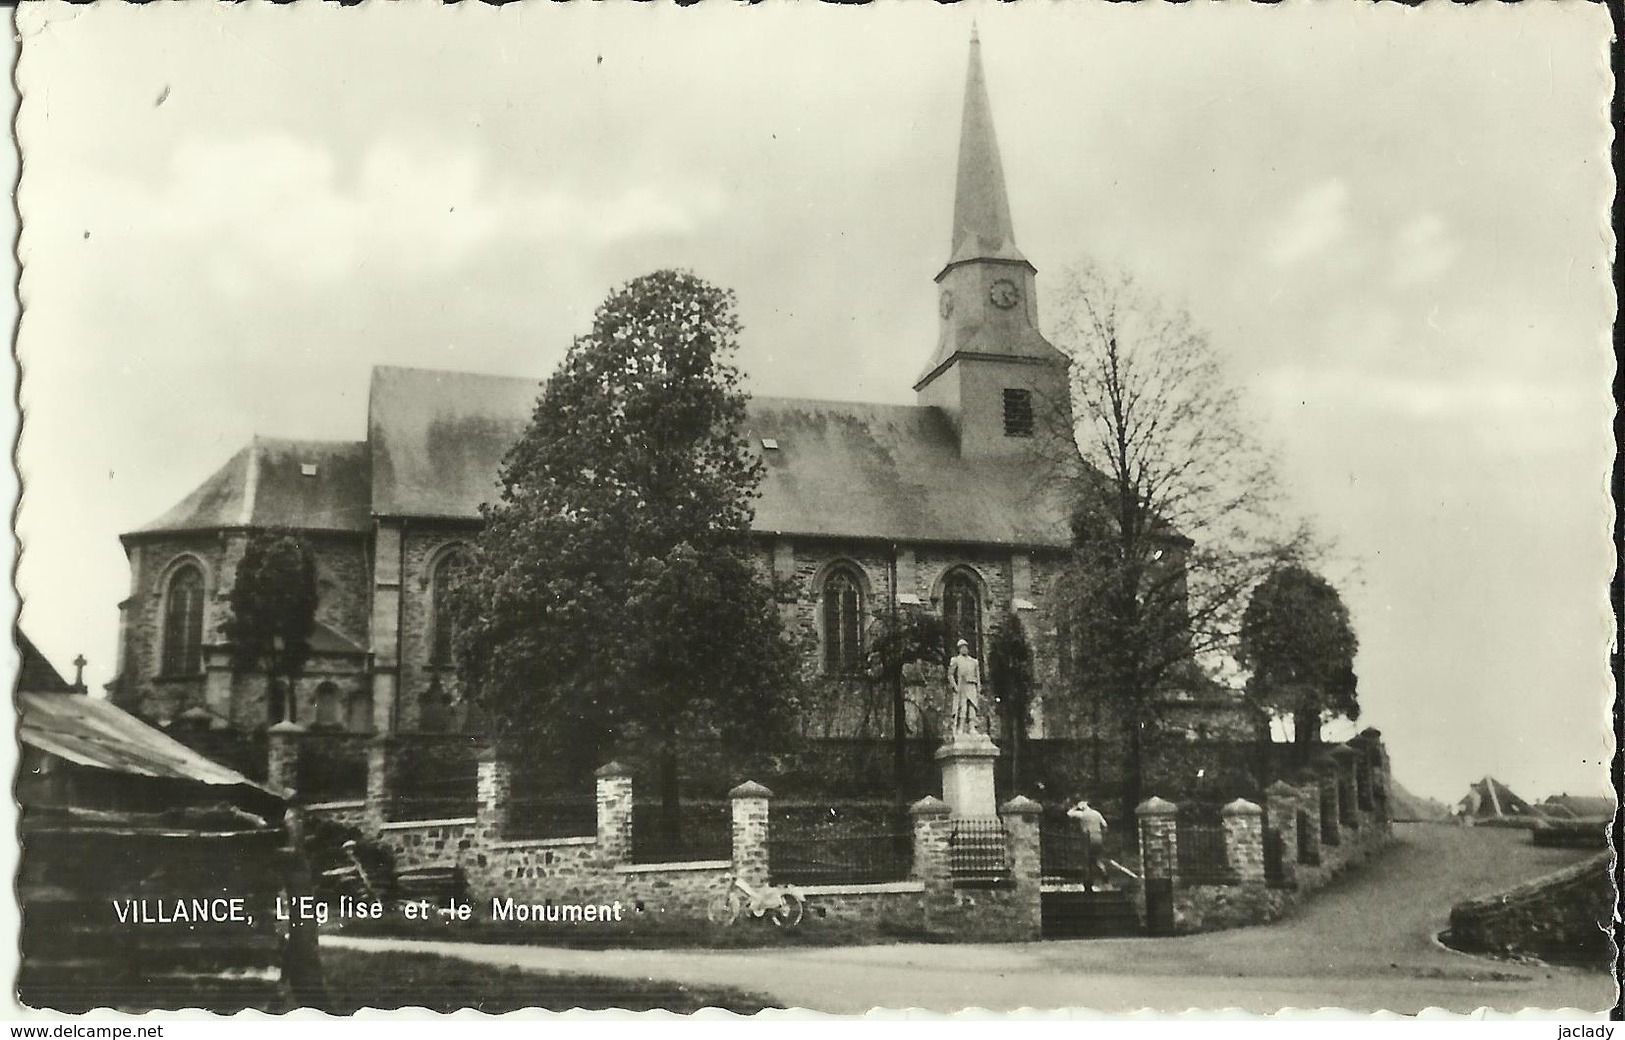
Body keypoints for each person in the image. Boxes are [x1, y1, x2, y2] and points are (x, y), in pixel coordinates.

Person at [1067, 797, 1110, 890]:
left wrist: (1075, 807)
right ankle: (1104, 875)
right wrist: (1101, 835)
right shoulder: (1097, 813)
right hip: (1097, 838)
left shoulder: (1082, 814)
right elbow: (1105, 825)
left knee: (1087, 861)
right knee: (1097, 859)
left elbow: (1069, 814)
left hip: (1087, 837)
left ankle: (1088, 884)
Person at [947, 639, 981, 735]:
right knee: (963, 707)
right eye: (962, 647)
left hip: (972, 685)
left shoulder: (974, 661)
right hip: (962, 686)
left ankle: (972, 727)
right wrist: (955, 686)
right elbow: (950, 674)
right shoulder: (956, 660)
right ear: (959, 649)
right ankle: (960, 727)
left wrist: (978, 687)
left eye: (965, 647)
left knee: (972, 706)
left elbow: (978, 676)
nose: (964, 649)